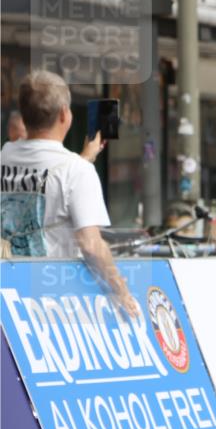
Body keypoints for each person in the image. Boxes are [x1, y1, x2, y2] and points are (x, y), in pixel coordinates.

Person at [0, 70, 138, 316]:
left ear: (23, 114)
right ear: (65, 114)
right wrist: (122, 292)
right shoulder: (77, 171)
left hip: (8, 293)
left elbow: (43, 181)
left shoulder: (5, 155)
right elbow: (91, 245)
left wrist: (85, 159)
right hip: (50, 300)